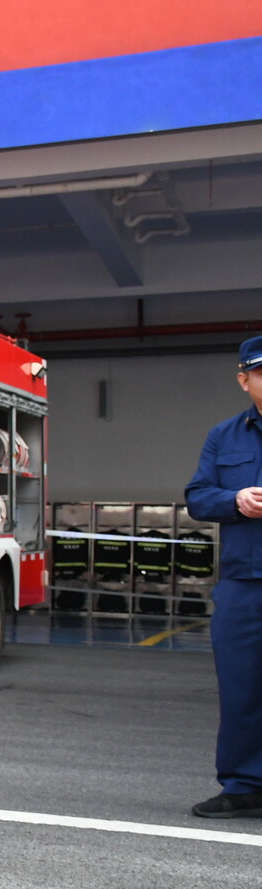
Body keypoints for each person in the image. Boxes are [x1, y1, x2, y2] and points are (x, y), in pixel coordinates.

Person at [183, 335, 262, 819]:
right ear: (244, 379)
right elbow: (196, 497)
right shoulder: (223, 436)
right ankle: (243, 785)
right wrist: (236, 502)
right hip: (243, 583)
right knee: (241, 687)